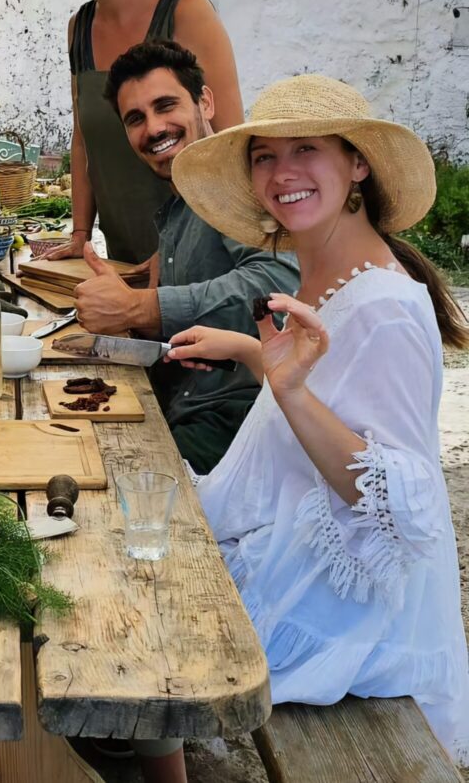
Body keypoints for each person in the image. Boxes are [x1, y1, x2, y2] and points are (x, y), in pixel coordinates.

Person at [168, 74, 469, 761]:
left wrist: (291, 390)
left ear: (356, 162)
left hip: (351, 614)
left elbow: (398, 505)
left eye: (306, 148)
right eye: (265, 155)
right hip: (297, 548)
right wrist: (252, 353)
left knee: (152, 631)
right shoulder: (331, 271)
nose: (283, 172)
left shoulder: (385, 307)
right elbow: (327, 385)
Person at [74, 40, 299, 475]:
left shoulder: (241, 185)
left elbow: (275, 290)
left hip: (236, 425)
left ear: (205, 102)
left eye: (165, 106)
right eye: (135, 118)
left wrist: (141, 306)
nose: (154, 128)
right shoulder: (182, 203)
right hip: (181, 405)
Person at [9, 0, 243, 265]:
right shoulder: (79, 27)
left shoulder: (186, 10)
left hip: (201, 250)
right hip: (123, 249)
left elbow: (233, 140)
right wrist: (80, 232)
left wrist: (181, 244)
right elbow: (84, 138)